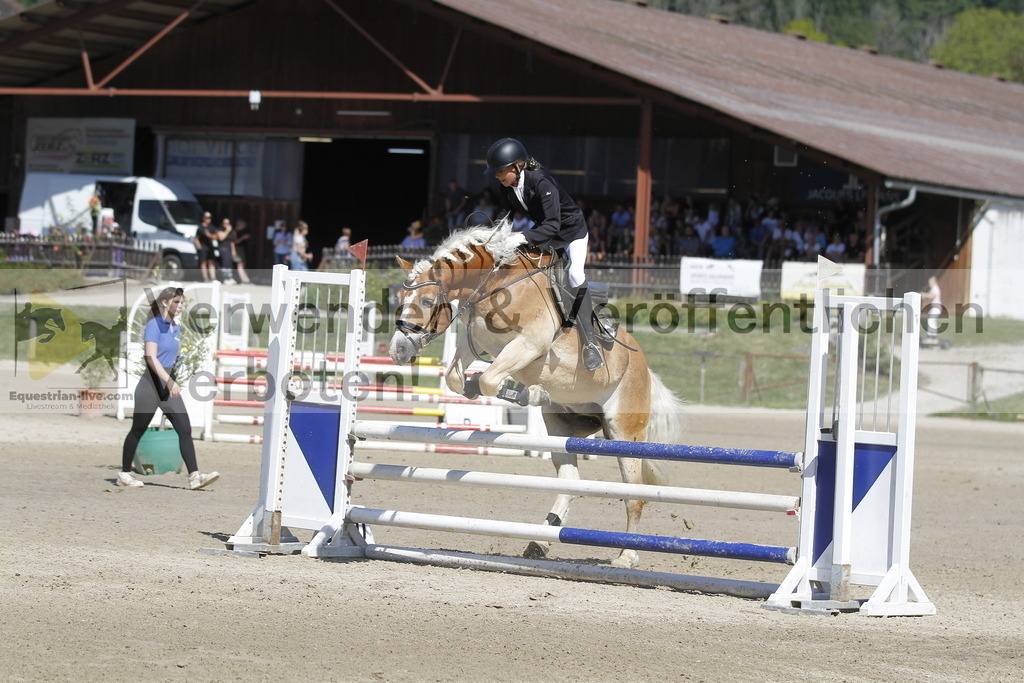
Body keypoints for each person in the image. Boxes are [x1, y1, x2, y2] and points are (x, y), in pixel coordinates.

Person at [484, 136, 604, 371]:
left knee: (575, 277)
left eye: (500, 171)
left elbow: (553, 226)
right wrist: (494, 235)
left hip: (571, 234)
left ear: (517, 166)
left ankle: (590, 343)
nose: (497, 176)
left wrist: (521, 237)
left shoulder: (542, 182)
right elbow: (504, 216)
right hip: (545, 234)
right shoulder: (507, 188)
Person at [117, 286, 219, 490]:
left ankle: (195, 477)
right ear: (165, 303)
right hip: (151, 385)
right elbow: (150, 358)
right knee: (138, 429)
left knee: (184, 428)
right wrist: (169, 381)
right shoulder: (154, 324)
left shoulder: (175, 327)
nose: (181, 306)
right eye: (177, 302)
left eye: (182, 303)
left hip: (166, 385)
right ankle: (124, 474)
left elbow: (169, 357)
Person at [194, 212, 218, 282]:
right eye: (207, 218)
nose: (208, 219)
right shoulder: (200, 227)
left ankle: (213, 277)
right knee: (203, 262)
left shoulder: (212, 227)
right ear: (203, 218)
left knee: (211, 262)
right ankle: (205, 278)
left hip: (210, 247)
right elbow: (196, 238)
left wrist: (210, 235)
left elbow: (215, 236)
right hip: (203, 247)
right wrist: (199, 246)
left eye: (209, 218)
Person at [921, 275, 943, 341]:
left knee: (931, 320)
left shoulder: (935, 288)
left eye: (930, 282)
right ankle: (933, 335)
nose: (929, 284)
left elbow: (932, 296)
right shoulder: (933, 289)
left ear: (934, 282)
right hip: (934, 307)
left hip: (936, 307)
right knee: (932, 320)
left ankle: (931, 336)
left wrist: (924, 294)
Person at [231, 218, 252, 283]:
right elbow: (234, 242)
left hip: (242, 249)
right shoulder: (234, 232)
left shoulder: (242, 231)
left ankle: (245, 278)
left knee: (242, 264)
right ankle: (244, 280)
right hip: (237, 249)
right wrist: (243, 238)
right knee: (240, 265)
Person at [216, 217, 236, 284]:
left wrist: (233, 250)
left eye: (227, 223)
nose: (226, 225)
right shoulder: (219, 230)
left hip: (229, 248)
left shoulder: (232, 232)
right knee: (224, 263)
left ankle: (230, 277)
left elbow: (232, 242)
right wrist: (227, 231)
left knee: (229, 263)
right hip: (223, 248)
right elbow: (221, 238)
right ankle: (225, 278)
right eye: (225, 223)